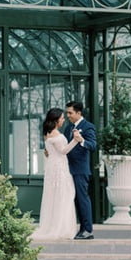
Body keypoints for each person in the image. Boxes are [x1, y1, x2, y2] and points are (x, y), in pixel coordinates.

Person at [34, 107, 80, 240]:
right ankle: (61, 228)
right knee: (64, 196)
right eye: (61, 118)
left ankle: (54, 225)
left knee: (55, 197)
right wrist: (75, 140)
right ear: (56, 120)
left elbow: (48, 151)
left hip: (52, 166)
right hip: (59, 168)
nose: (63, 120)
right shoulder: (56, 134)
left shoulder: (47, 133)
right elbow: (64, 151)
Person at [64, 100, 97, 240]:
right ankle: (80, 229)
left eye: (70, 113)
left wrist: (81, 140)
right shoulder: (67, 128)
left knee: (82, 199)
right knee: (74, 200)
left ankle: (87, 230)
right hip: (67, 169)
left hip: (80, 169)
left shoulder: (88, 126)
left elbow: (93, 145)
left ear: (79, 113)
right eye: (67, 113)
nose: (68, 115)